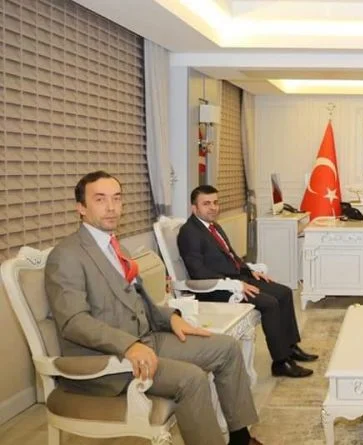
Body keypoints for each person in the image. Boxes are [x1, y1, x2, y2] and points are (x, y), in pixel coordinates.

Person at [44, 171, 262, 445]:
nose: (111, 207)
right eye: (100, 199)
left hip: (147, 339)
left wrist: (172, 318)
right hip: (109, 358)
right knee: (192, 378)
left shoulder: (117, 247)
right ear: (81, 208)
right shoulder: (66, 255)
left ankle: (240, 439)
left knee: (227, 348)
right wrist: (128, 346)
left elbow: (141, 300)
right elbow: (74, 322)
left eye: (116, 198)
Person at [178, 185, 317, 378]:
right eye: (206, 204)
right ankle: (281, 362)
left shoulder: (213, 226)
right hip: (217, 289)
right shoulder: (189, 232)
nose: (213, 207)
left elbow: (232, 257)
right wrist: (233, 284)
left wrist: (251, 271)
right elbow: (198, 272)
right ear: (194, 208)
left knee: (284, 292)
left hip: (237, 278)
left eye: (215, 202)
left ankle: (290, 347)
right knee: (269, 303)